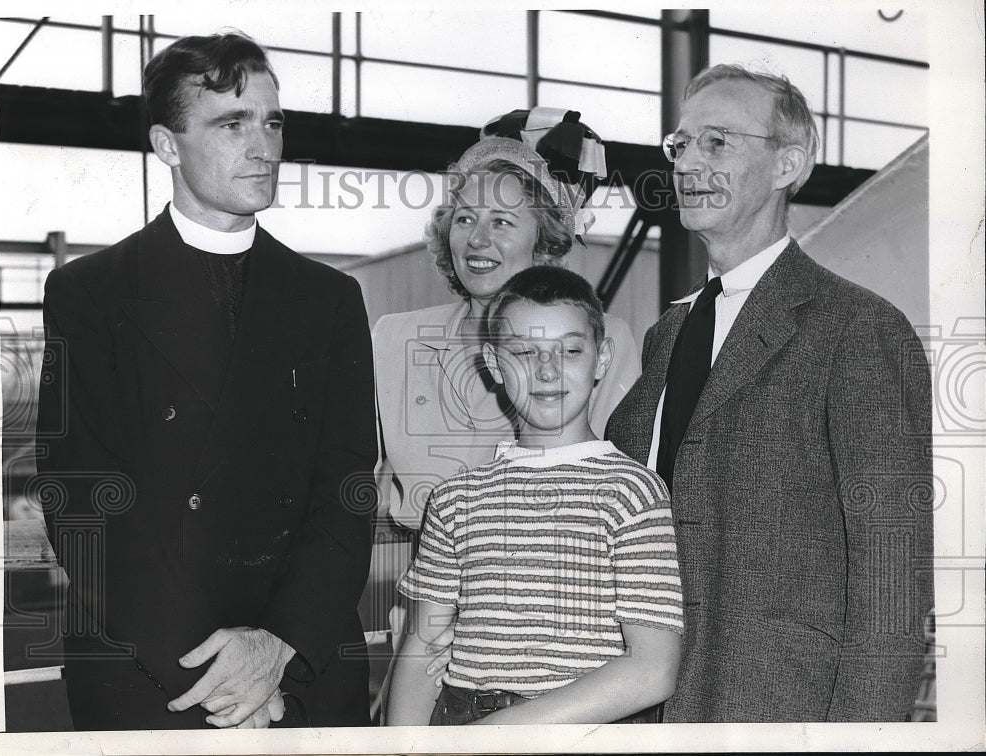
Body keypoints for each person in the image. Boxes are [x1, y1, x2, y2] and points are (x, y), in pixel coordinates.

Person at [35, 32, 376, 730]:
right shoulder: (90, 294)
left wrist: (277, 646)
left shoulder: (328, 299)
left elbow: (347, 489)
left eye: (273, 121)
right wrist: (217, 682)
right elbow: (81, 500)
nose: (265, 146)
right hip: (153, 669)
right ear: (167, 145)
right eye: (232, 123)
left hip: (301, 666)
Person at [605, 63, 934, 722]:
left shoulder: (859, 329)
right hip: (646, 707)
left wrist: (858, 740)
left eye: (717, 143)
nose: (688, 163)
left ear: (788, 164)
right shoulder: (668, 335)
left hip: (780, 710)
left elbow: (892, 572)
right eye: (680, 145)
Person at [385, 267, 683, 725]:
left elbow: (652, 670)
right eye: (525, 351)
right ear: (493, 362)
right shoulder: (455, 500)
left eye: (570, 350)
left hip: (582, 730)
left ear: (602, 358)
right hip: (462, 723)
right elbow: (422, 651)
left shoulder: (633, 493)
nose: (546, 370)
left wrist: (500, 733)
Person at [371, 106, 641, 532]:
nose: (477, 239)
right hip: (419, 587)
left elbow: (613, 492)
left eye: (502, 221)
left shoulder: (603, 342)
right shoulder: (392, 339)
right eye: (464, 219)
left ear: (544, 241)